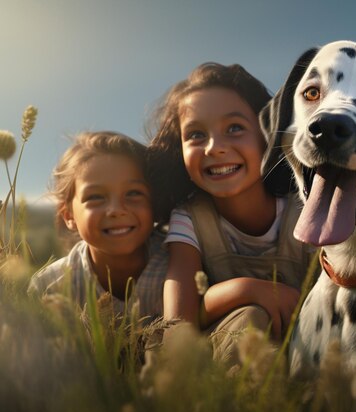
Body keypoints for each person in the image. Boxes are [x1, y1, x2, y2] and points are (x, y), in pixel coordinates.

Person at [147, 62, 312, 364]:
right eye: (196, 134)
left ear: (267, 134)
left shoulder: (306, 206)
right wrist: (248, 290)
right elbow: (177, 321)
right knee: (251, 318)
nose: (214, 147)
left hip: (316, 351)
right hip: (232, 364)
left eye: (235, 128)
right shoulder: (190, 219)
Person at [29, 131, 168, 323]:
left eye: (134, 193)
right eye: (95, 197)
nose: (116, 210)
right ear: (69, 215)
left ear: (154, 202)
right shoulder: (50, 287)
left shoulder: (180, 263)